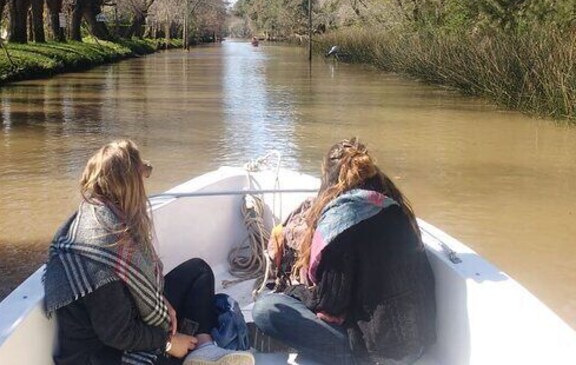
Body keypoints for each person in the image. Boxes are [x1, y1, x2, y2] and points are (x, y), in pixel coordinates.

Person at [44, 139, 254, 365]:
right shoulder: (101, 249)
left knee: (198, 272)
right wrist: (168, 342)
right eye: (142, 178)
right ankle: (191, 352)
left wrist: (160, 299)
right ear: (130, 185)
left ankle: (203, 349)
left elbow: (135, 290)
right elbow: (117, 334)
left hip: (125, 325)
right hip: (104, 356)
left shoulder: (107, 220)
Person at [252, 138, 436, 364]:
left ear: (328, 181)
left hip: (377, 354)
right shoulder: (395, 208)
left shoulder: (341, 224)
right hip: (417, 343)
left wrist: (293, 291)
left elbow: (329, 304)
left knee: (266, 308)